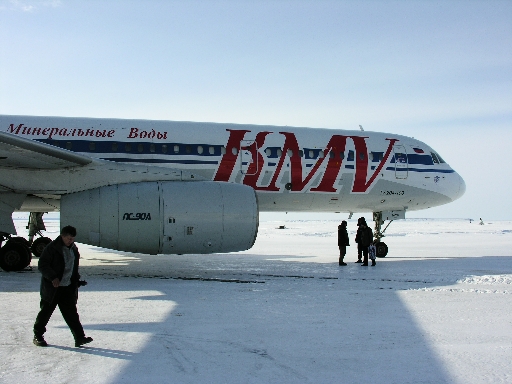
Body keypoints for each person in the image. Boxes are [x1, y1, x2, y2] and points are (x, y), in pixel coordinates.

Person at [33, 225, 93, 348]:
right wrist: (53, 277)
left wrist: (76, 281)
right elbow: (43, 265)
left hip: (67, 288)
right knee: (45, 313)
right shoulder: (52, 248)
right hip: (52, 288)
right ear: (62, 236)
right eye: (68, 239)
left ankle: (79, 338)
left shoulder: (73, 249)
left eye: (73, 239)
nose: (71, 241)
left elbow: (72, 268)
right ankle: (37, 336)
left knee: (72, 314)